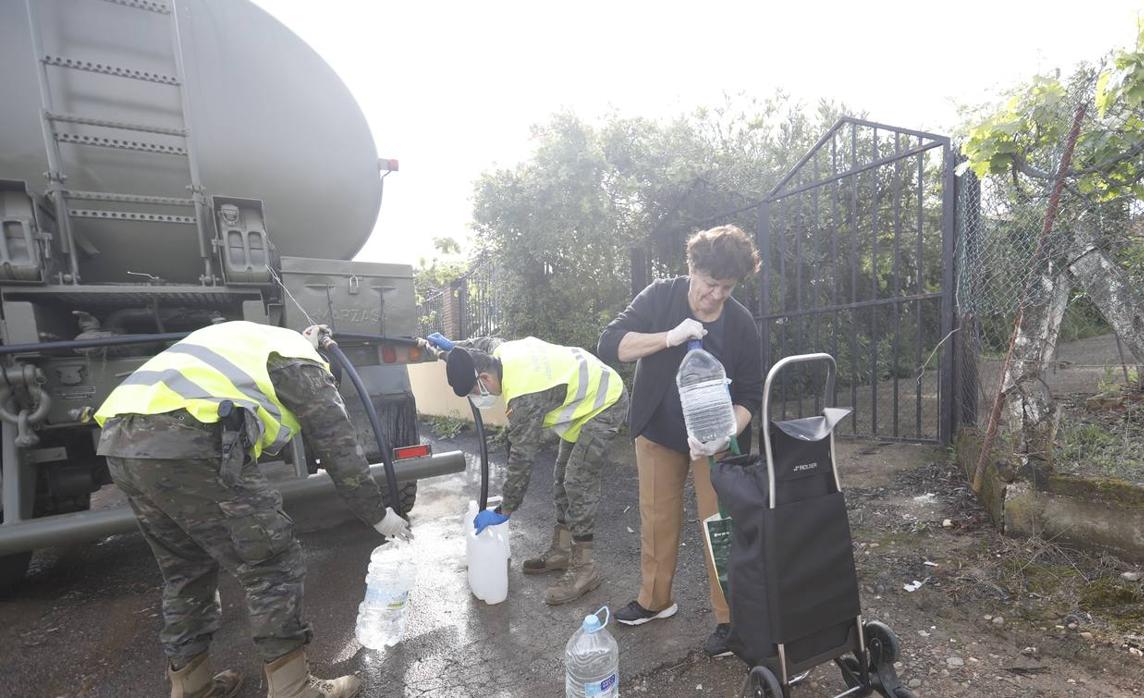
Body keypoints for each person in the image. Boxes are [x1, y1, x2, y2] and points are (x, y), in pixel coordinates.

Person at [94, 321, 412, 698]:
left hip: (121, 441)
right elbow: (340, 448)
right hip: (191, 440)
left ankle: (190, 686)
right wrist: (378, 515)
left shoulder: (258, 342)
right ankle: (294, 689)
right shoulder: (304, 364)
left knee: (186, 569)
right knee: (272, 562)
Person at [597, 224, 763, 658]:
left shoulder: (740, 322)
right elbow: (610, 344)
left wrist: (727, 432)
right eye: (710, 284)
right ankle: (655, 600)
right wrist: (669, 337)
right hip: (657, 431)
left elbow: (749, 393)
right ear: (692, 268)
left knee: (720, 528)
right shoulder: (660, 297)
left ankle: (731, 622)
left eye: (726, 288)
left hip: (714, 442)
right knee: (657, 518)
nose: (716, 296)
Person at [439, 336, 628, 605]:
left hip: (605, 402)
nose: (478, 397)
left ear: (484, 378)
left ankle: (585, 568)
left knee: (577, 481)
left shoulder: (523, 396)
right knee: (561, 475)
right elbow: (484, 342)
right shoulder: (500, 353)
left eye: (475, 392)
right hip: (583, 404)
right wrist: (453, 346)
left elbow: (521, 458)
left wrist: (504, 510)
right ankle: (562, 551)